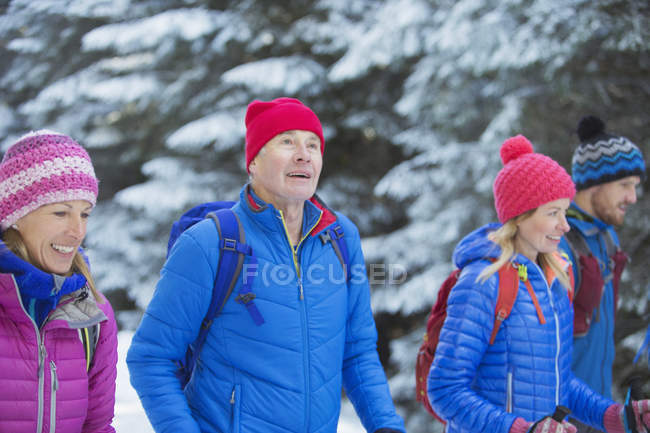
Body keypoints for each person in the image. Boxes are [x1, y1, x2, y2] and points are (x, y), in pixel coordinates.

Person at [127, 97, 405, 433]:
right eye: (287, 141)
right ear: (254, 162)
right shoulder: (210, 243)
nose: (303, 153)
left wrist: (386, 426)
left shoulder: (340, 238)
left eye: (313, 144)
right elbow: (151, 357)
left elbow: (357, 351)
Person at [427, 135, 650, 433]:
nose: (565, 225)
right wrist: (521, 429)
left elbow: (559, 380)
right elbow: (445, 390)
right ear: (519, 216)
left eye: (564, 210)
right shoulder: (482, 283)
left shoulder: (555, 282)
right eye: (552, 213)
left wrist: (617, 417)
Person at [0, 131, 118, 432]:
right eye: (60, 212)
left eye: (85, 214)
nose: (77, 231)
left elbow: (98, 427)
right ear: (16, 215)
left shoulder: (93, 315)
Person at [559, 115, 646, 396]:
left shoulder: (606, 238)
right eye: (624, 185)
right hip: (562, 415)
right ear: (594, 183)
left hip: (596, 410)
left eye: (635, 186)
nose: (632, 197)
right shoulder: (559, 243)